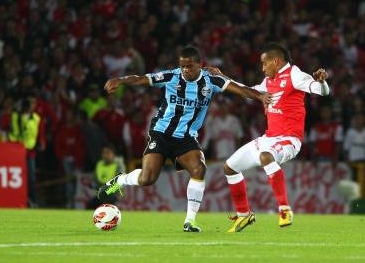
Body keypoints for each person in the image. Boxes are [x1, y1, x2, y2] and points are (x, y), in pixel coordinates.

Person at [98, 46, 271, 232]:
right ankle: (119, 181)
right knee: (147, 178)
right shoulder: (171, 77)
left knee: (199, 168)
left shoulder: (211, 80)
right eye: (182, 66)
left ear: (199, 65)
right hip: (161, 133)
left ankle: (190, 221)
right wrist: (120, 80)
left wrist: (260, 96)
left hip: (186, 137)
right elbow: (141, 79)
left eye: (189, 66)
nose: (185, 70)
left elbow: (240, 89)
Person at [211, 42, 330, 233]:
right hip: (269, 138)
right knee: (230, 167)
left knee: (266, 156)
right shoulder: (269, 81)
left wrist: (322, 82)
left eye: (265, 63)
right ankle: (244, 215)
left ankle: (284, 209)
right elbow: (248, 91)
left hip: (289, 140)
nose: (263, 68)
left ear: (276, 61)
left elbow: (322, 92)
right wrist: (222, 77)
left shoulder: (295, 75)